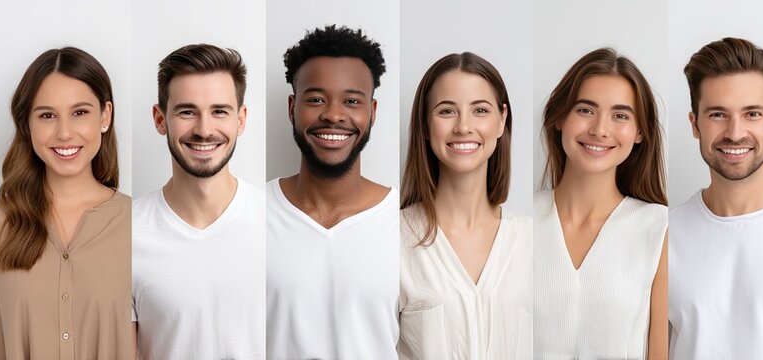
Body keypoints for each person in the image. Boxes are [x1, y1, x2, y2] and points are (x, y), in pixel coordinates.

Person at [266, 25, 399, 359]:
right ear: (291, 108)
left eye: (352, 101)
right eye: (316, 99)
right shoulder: (251, 215)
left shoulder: (407, 223)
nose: (334, 114)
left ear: (373, 111)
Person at [668, 37, 763, 359]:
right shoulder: (662, 235)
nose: (735, 132)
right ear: (694, 124)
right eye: (717, 115)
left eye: (752, 113)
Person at [0, 47, 132, 359]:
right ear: (26, 125)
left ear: (105, 116)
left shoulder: (139, 223)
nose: (65, 132)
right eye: (47, 115)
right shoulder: (2, 221)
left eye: (80, 112)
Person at [131, 44, 264, 359]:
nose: (204, 130)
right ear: (160, 119)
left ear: (241, 120)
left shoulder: (277, 224)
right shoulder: (125, 235)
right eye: (187, 111)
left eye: (219, 111)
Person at [534, 48, 668, 359]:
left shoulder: (659, 229)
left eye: (620, 115)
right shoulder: (516, 225)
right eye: (585, 110)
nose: (599, 129)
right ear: (559, 117)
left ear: (639, 133)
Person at [398, 52, 532, 358]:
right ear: (425, 123)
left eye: (480, 110)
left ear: (502, 120)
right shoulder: (392, 240)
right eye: (447, 111)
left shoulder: (535, 241)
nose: (463, 127)